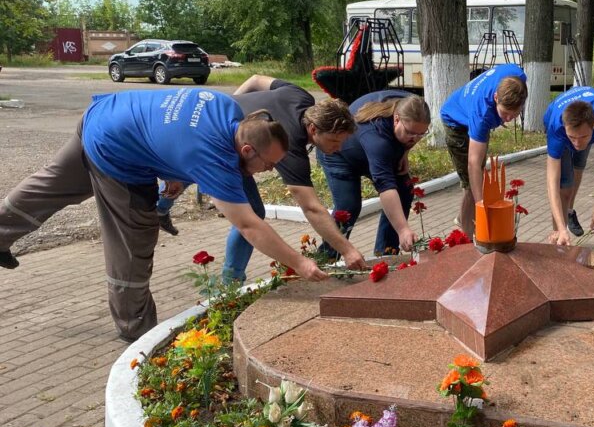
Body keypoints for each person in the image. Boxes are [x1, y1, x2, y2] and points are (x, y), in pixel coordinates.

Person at [0, 87, 329, 341]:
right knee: (134, 236)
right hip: (117, 152)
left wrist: (177, 170)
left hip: (102, 115)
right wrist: (299, 263)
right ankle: (136, 329)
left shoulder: (228, 108)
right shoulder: (213, 158)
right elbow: (248, 225)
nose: (266, 171)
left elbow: (178, 128)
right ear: (247, 149)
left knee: (52, 185)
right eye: (267, 164)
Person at [214, 75, 367, 282]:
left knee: (252, 211)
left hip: (221, 126)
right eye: (333, 141)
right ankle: (229, 283)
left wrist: (229, 105)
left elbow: (256, 80)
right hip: (221, 146)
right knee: (251, 215)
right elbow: (311, 208)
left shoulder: (301, 97)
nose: (338, 149)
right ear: (313, 129)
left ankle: (162, 205)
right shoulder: (290, 146)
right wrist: (348, 250)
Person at [318, 90, 431, 256]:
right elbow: (385, 187)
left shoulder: (413, 106)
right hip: (339, 153)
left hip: (374, 150)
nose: (415, 138)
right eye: (410, 133)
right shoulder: (377, 135)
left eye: (421, 134)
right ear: (397, 119)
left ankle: (386, 254)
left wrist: (405, 151)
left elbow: (413, 132)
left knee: (404, 191)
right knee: (348, 207)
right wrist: (403, 229)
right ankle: (327, 258)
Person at [440, 63, 528, 238]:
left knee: (478, 178)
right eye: (505, 114)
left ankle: (465, 216)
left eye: (514, 114)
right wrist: (481, 206)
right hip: (456, 123)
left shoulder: (518, 78)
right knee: (471, 185)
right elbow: (473, 164)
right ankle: (467, 237)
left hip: (471, 112)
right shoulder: (482, 115)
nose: (509, 119)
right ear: (496, 97)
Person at [543, 86, 594, 247]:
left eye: (583, 137)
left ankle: (569, 210)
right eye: (573, 137)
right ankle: (559, 236)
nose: (577, 143)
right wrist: (560, 228)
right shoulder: (557, 127)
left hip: (584, 121)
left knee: (578, 166)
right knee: (564, 186)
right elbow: (552, 182)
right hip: (556, 120)